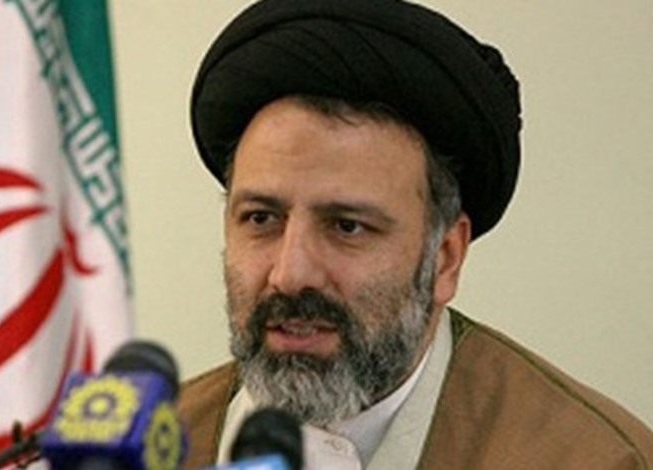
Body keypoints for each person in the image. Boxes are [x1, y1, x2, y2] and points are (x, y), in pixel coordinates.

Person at [176, 0, 653, 468]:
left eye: (347, 226)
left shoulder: (595, 459)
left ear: (445, 257)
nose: (290, 274)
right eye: (261, 219)